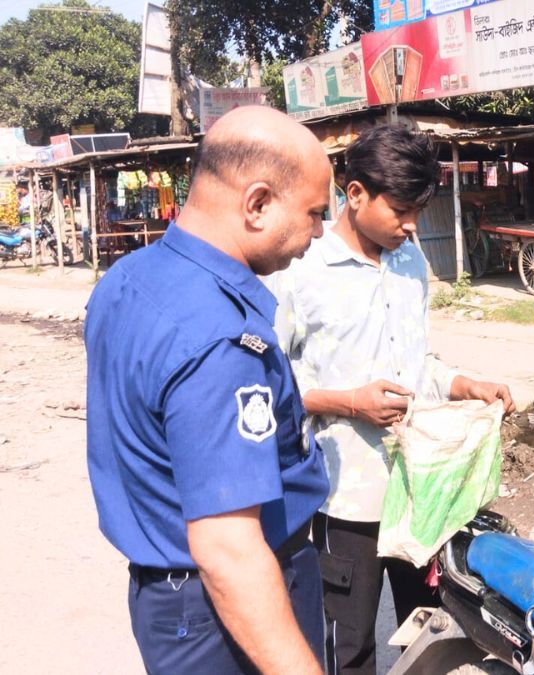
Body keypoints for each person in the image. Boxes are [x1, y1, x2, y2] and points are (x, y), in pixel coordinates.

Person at [84, 106, 331, 674]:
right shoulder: (221, 340)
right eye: (314, 213)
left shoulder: (128, 278)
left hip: (165, 599)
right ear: (258, 203)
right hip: (226, 609)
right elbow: (229, 552)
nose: (318, 234)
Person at [268, 125, 515, 675]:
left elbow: (418, 364)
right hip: (345, 497)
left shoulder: (408, 264)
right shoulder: (299, 272)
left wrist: (464, 384)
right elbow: (266, 387)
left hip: (420, 491)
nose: (411, 226)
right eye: (402, 210)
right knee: (348, 643)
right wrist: (349, 402)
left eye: (418, 212)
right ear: (355, 194)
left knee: (428, 633)